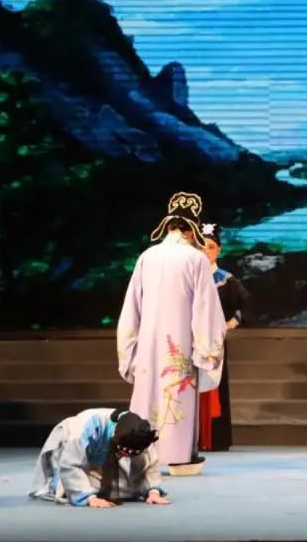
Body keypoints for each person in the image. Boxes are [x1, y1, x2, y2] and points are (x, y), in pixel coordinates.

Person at [117, 191, 227, 473]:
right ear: (192, 230)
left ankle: (141, 453)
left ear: (167, 226)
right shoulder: (195, 258)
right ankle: (178, 456)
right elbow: (205, 309)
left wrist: (129, 349)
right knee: (177, 397)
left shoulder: (147, 257)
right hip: (179, 343)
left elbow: (132, 307)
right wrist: (206, 350)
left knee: (147, 395)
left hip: (149, 343)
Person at [30, 408, 168, 508]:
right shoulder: (85, 427)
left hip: (100, 457)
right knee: (72, 488)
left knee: (125, 490)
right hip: (69, 451)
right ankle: (68, 487)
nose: (126, 455)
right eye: (123, 451)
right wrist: (89, 498)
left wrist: (153, 492)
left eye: (132, 453)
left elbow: (147, 465)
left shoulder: (141, 434)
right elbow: (70, 464)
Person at [197, 221, 253, 452]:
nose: (206, 251)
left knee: (215, 387)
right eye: (201, 247)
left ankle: (215, 438)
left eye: (210, 247)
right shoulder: (189, 277)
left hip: (215, 343)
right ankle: (191, 439)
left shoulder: (226, 280)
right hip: (191, 341)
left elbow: (246, 303)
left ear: (218, 250)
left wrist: (233, 321)